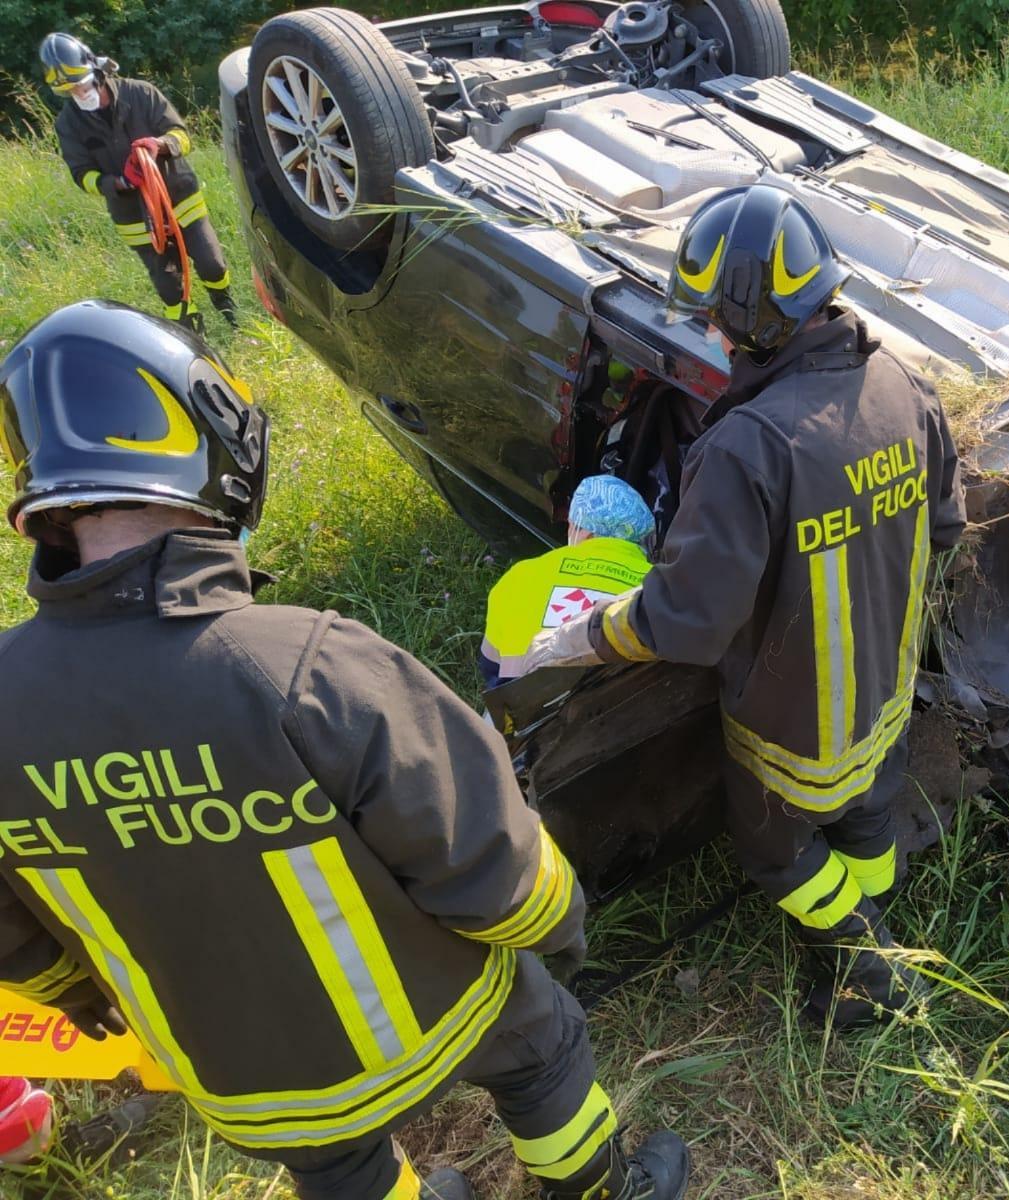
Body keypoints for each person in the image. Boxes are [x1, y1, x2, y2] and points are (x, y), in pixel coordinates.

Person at [0, 301, 688, 1200]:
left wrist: (78, 994)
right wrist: (557, 929)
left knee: (337, 1166)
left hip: (242, 1077)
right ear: (216, 444)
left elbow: (16, 934)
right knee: (541, 1047)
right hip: (431, 1018)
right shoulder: (303, 667)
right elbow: (483, 849)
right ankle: (600, 1189)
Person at [525, 185, 966, 1027]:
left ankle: (869, 972)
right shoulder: (905, 386)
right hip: (886, 696)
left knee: (777, 853)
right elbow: (945, 527)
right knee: (869, 811)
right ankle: (875, 907)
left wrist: (586, 633)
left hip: (793, 734)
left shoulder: (746, 446)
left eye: (715, 322)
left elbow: (688, 622)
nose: (715, 338)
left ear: (750, 321)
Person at [40, 34, 235, 331]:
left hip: (180, 199)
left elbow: (182, 136)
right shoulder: (68, 124)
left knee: (212, 264)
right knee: (169, 287)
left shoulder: (141, 94)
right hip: (134, 218)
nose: (78, 92)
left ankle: (226, 306)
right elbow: (82, 175)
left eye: (81, 83)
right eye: (68, 90)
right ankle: (190, 331)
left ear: (96, 70)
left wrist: (160, 145)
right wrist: (120, 182)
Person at [480, 475, 655, 690]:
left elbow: (490, 667)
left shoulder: (520, 575)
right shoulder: (658, 583)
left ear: (586, 531)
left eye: (571, 525)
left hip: (530, 705)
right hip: (632, 700)